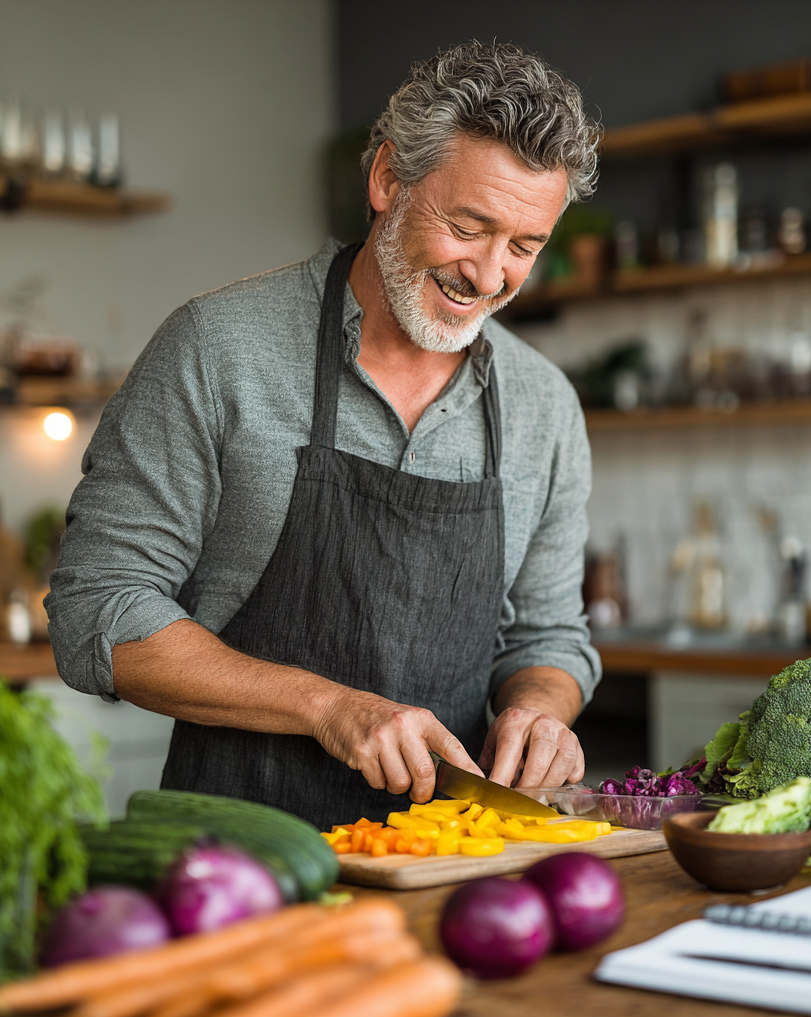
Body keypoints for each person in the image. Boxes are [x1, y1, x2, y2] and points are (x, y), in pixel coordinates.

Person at [46, 41, 603, 830]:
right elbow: (97, 608)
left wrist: (542, 710)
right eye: (469, 227)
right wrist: (324, 706)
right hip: (237, 862)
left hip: (453, 863)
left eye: (523, 247)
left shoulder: (544, 405)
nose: (487, 275)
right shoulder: (217, 350)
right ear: (387, 181)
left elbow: (549, 633)